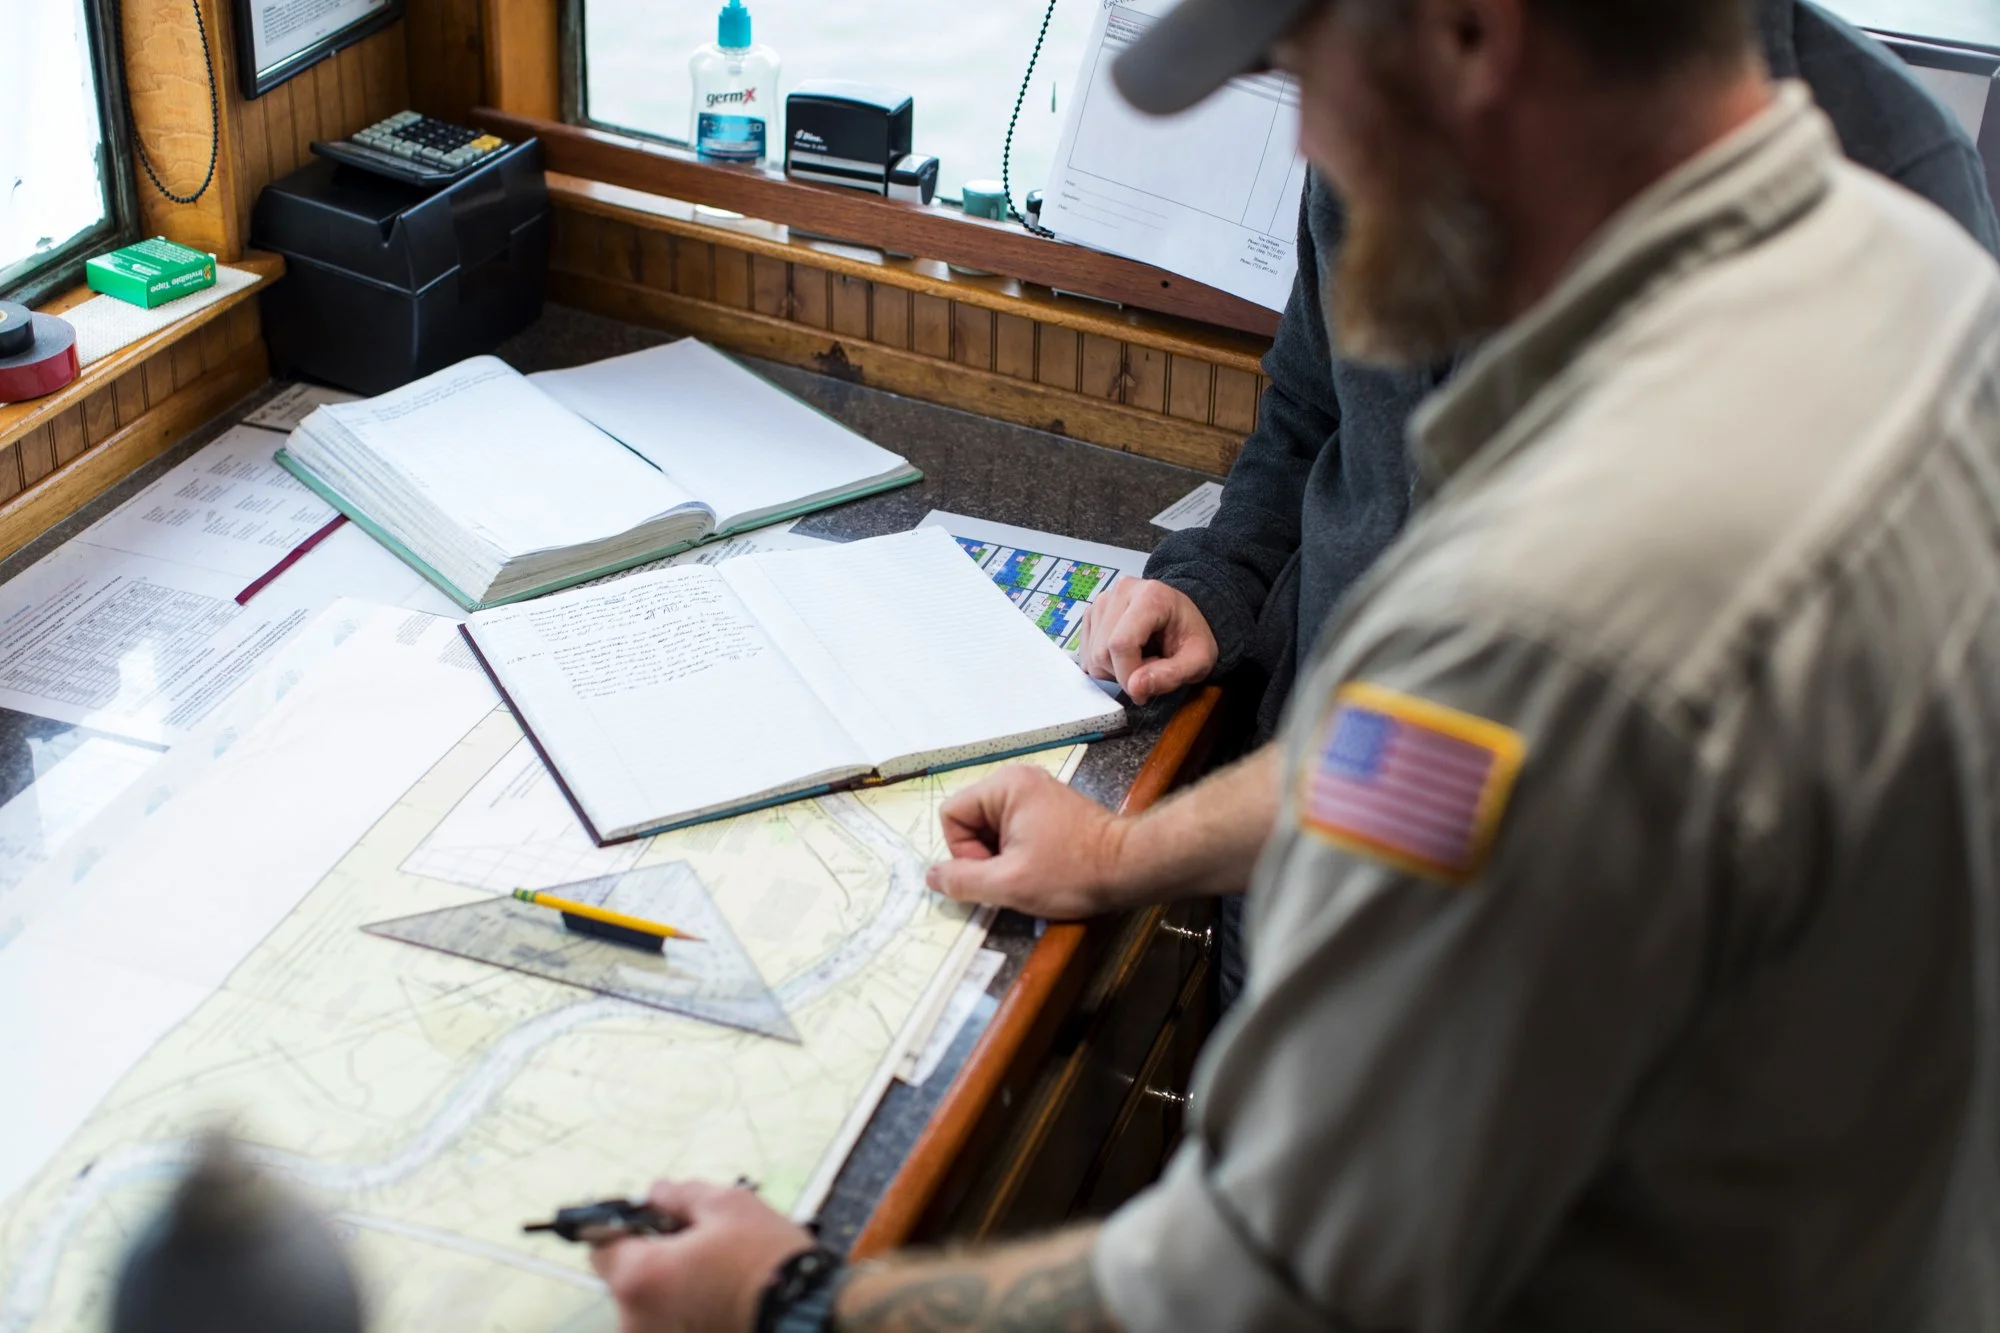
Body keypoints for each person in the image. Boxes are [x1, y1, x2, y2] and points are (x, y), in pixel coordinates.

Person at [593, 0, 2000, 1328]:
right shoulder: (1912, 281)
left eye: (1310, 63)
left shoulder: (1546, 622)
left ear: (1471, 30)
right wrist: (1126, 856)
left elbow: (1260, 1288)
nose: (1307, 143)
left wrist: (793, 1300)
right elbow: (1457, 777)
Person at [1078, 0, 2000, 1003]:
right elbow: (1312, 398)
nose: (1308, 137)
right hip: (1306, 816)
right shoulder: (1393, 92)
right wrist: (1221, 581)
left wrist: (1138, 853)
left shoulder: (1897, 190)